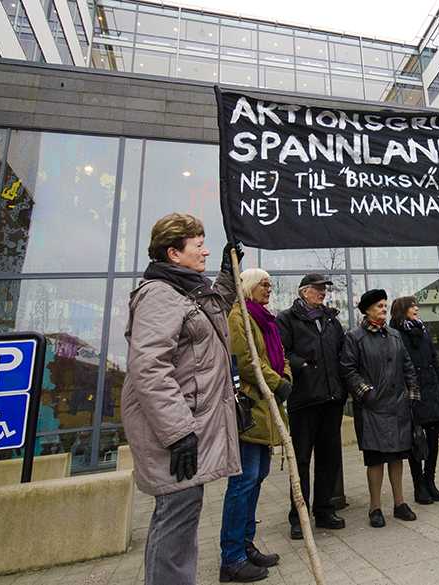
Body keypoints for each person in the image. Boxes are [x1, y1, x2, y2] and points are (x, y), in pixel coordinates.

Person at [121, 213, 241, 585]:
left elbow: (211, 312)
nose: (205, 250)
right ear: (173, 253)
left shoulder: (186, 290)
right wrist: (178, 432)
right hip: (174, 432)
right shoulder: (158, 295)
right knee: (176, 519)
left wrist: (227, 273)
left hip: (188, 426)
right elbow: (149, 368)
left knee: (183, 515)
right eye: (198, 245)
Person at [221, 268, 292, 582]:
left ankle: (246, 544)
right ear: (249, 286)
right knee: (243, 481)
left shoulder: (265, 320)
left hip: (267, 409)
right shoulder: (239, 317)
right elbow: (246, 359)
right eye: (264, 284)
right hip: (250, 412)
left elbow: (279, 356)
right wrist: (278, 383)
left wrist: (285, 377)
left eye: (270, 284)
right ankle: (232, 557)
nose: (269, 289)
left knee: (258, 475)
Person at [275, 274, 347, 540]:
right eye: (317, 289)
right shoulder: (287, 319)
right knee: (302, 460)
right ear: (303, 291)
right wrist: (300, 366)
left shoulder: (332, 320)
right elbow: (281, 352)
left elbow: (342, 353)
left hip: (331, 399)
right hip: (304, 401)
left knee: (329, 459)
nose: (322, 293)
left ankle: (324, 510)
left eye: (324, 289)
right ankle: (299, 516)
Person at [341, 289, 421, 527]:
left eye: (385, 306)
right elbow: (348, 370)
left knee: (398, 456)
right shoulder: (354, 337)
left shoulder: (395, 336)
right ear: (367, 310)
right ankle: (374, 508)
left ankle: (400, 503)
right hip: (372, 410)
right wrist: (366, 394)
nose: (384, 309)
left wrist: (413, 393)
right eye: (379, 306)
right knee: (375, 459)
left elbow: (408, 367)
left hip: (398, 407)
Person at [390, 296, 439, 505]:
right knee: (416, 440)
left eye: (416, 305)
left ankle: (430, 481)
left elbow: (433, 359)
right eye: (412, 306)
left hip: (431, 389)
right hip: (412, 394)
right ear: (402, 311)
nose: (416, 308)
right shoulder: (395, 335)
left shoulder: (422, 330)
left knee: (433, 438)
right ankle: (419, 486)